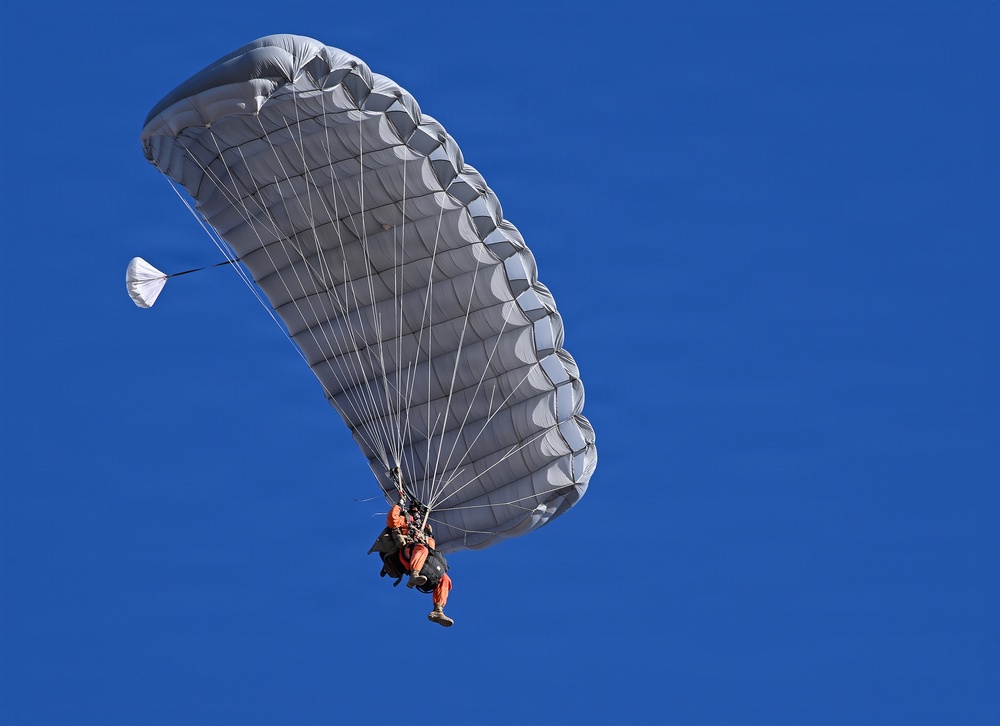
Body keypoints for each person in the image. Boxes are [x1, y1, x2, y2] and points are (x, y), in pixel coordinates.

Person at [385, 501, 455, 627]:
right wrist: (398, 506)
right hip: (407, 554)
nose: (417, 516)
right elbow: (392, 521)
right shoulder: (405, 521)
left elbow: (431, 549)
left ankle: (438, 610)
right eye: (415, 512)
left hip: (422, 559)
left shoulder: (426, 533)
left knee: (445, 578)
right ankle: (414, 575)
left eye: (419, 513)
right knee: (422, 549)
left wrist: (429, 535)